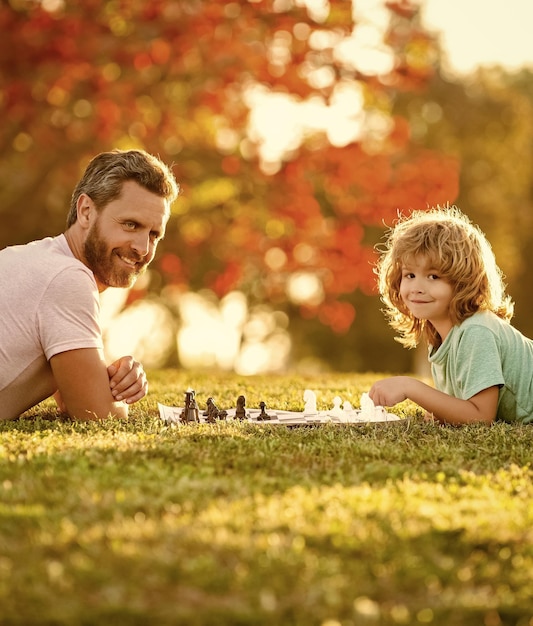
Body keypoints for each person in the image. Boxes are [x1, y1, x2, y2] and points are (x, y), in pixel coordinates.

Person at [0, 149, 179, 421]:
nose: (143, 248)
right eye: (130, 224)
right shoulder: (67, 278)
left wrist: (108, 373)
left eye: (154, 234)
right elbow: (98, 414)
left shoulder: (36, 261)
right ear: (86, 211)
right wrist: (115, 398)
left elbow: (70, 392)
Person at [368, 205, 533, 425]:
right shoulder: (441, 334)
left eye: (434, 276)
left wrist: (410, 387)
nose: (417, 287)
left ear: (464, 283)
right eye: (410, 275)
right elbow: (463, 405)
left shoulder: (476, 331)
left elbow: (480, 417)